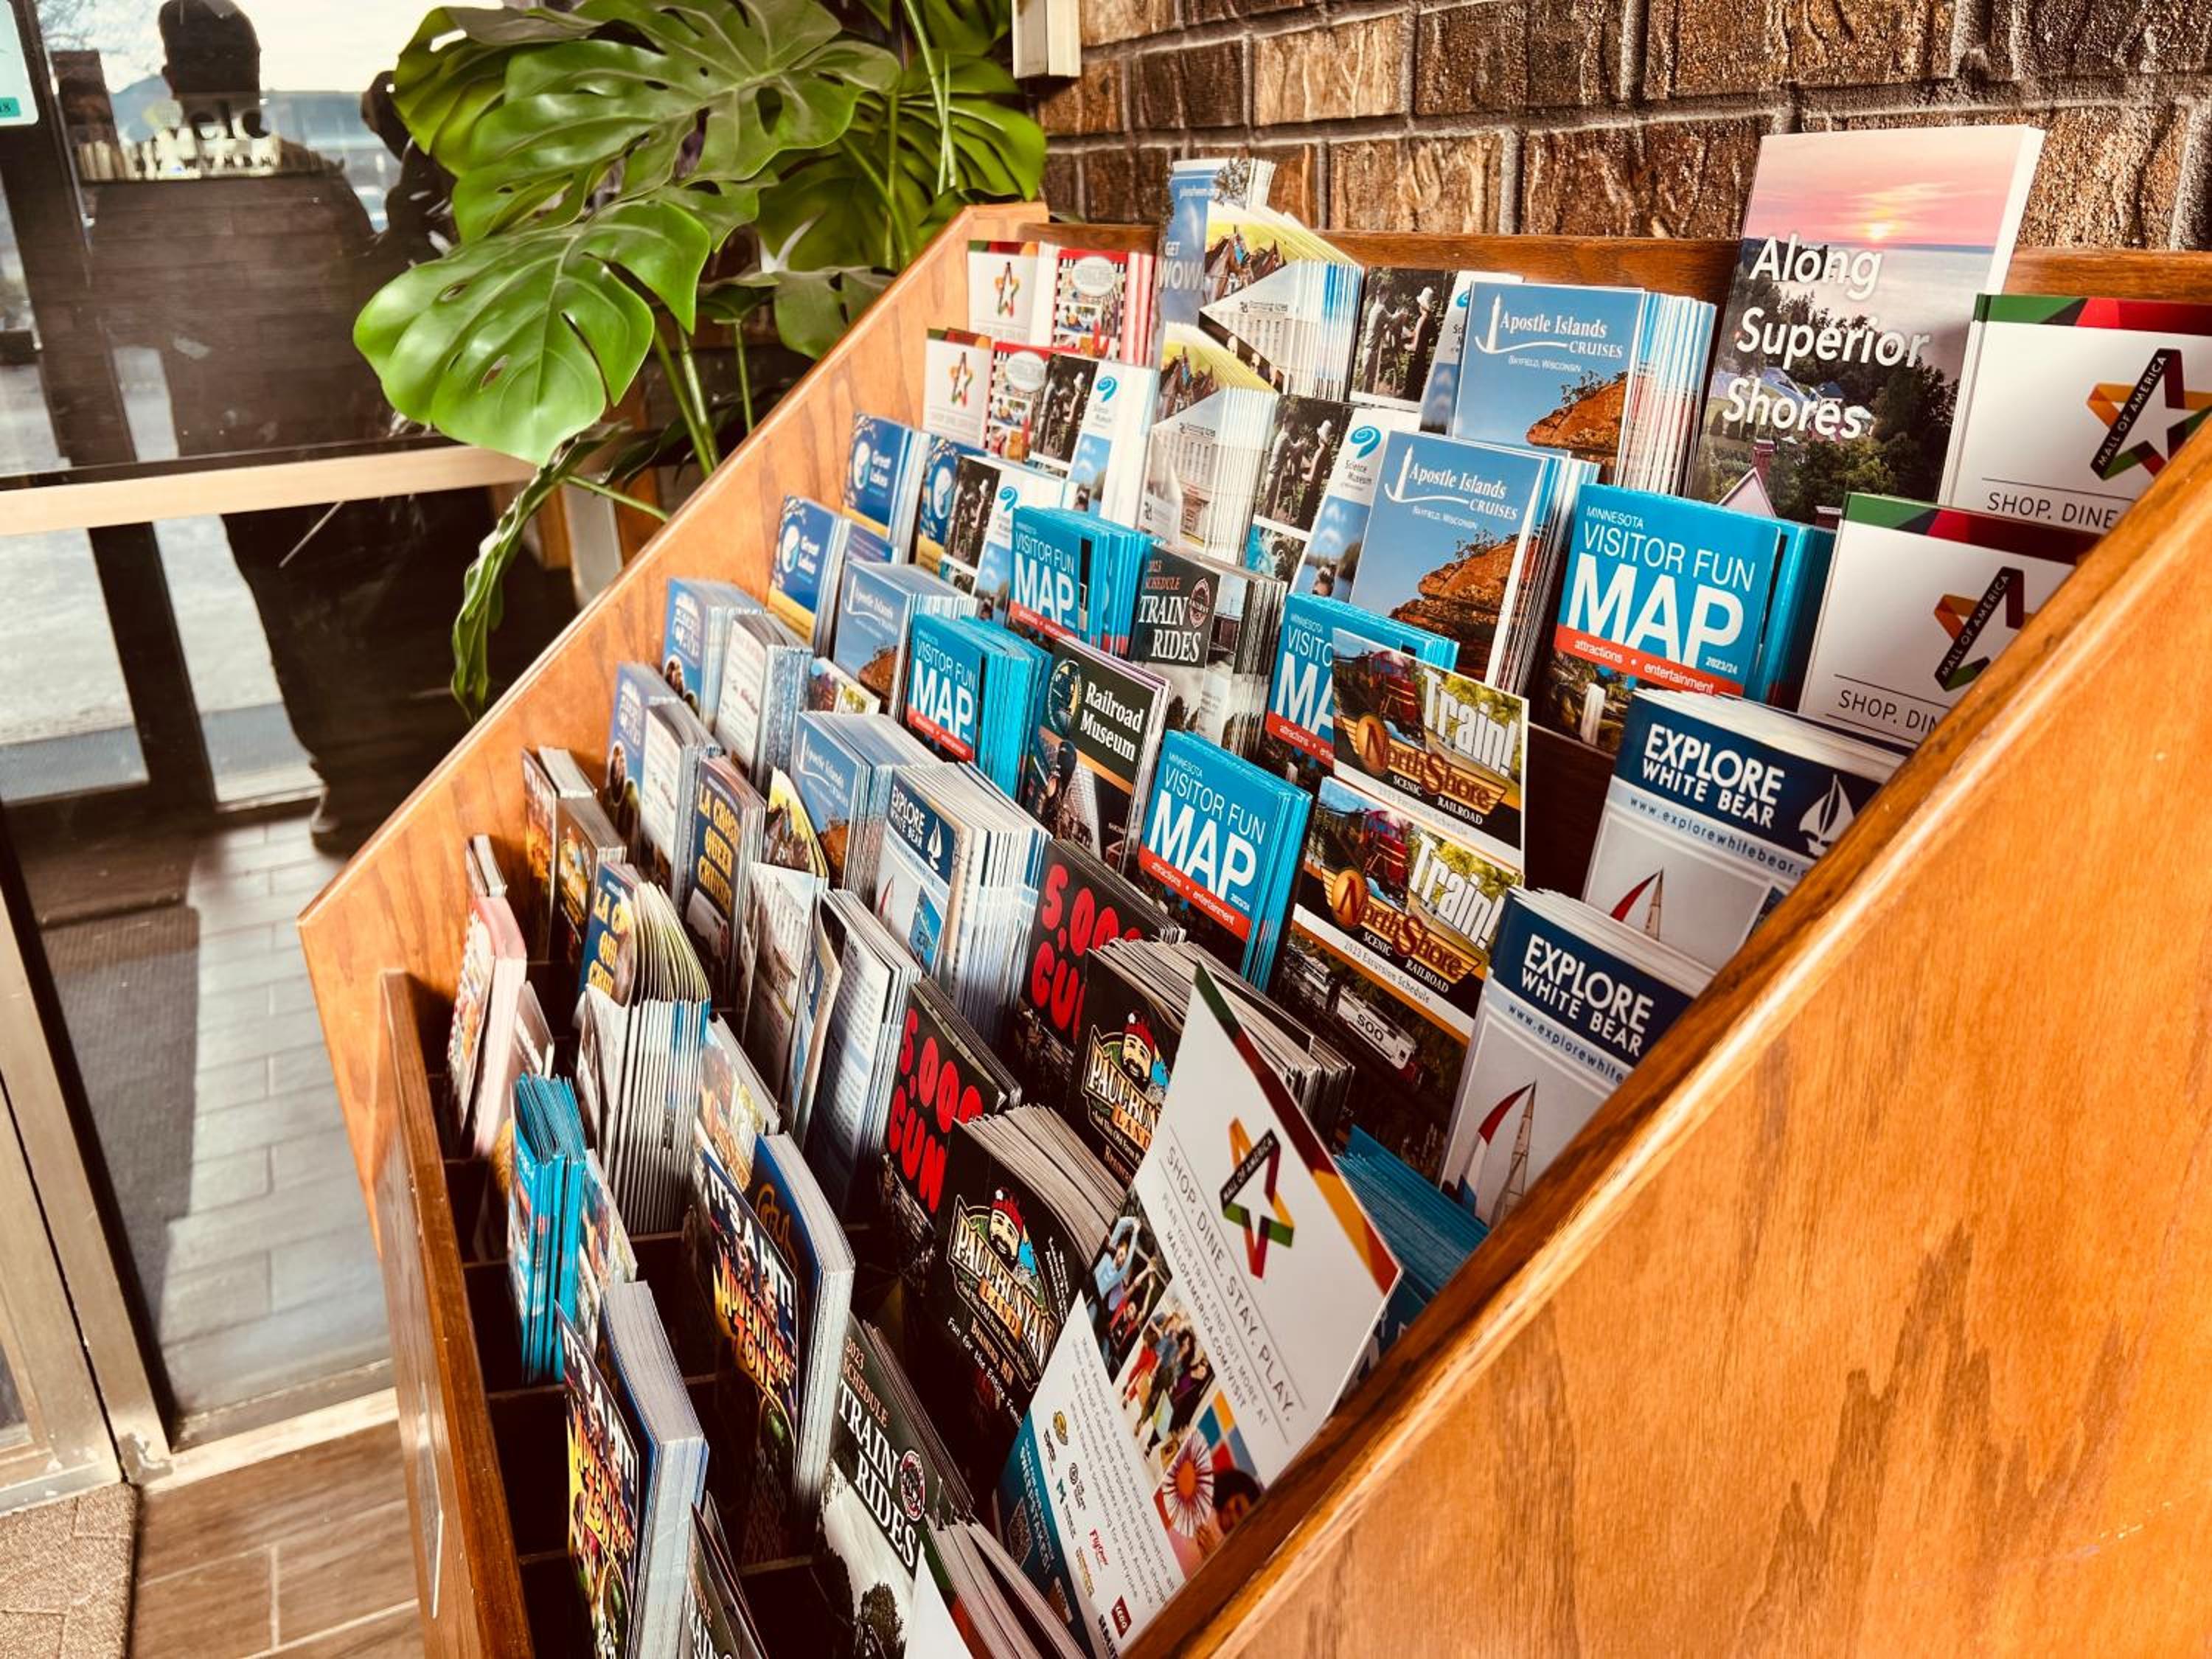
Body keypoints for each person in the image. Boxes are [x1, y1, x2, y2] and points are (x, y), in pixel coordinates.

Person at [90, 1, 563, 849]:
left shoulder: (251, 175)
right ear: (185, 79)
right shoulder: (172, 182)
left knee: (331, 607)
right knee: (299, 608)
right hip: (252, 437)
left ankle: (370, 773)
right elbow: (124, 306)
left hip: (316, 426)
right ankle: (350, 776)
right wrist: (215, 340)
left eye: (231, 69)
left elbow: (357, 291)